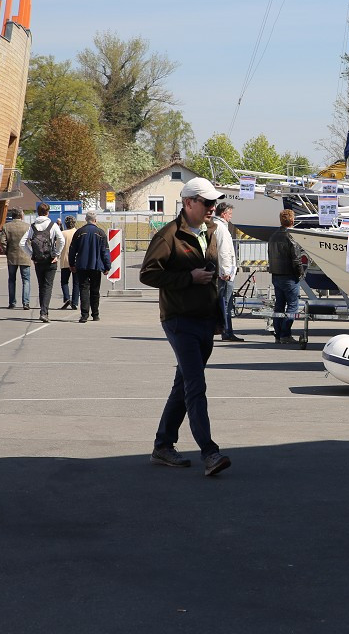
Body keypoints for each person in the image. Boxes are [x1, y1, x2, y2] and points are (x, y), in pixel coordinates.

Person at [139, 177, 231, 477]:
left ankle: (163, 445)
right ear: (188, 202)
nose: (212, 208)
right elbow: (148, 274)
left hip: (204, 319)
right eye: (206, 202)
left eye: (214, 202)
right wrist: (187, 279)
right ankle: (209, 452)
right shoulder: (168, 236)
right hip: (179, 320)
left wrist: (217, 317)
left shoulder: (211, 230)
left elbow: (211, 273)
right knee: (195, 385)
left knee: (184, 385)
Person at [19, 203, 64, 323]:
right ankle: (44, 312)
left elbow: (22, 243)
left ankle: (42, 310)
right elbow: (61, 240)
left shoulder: (32, 227)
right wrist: (57, 254)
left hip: (38, 260)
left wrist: (31, 255)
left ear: (37, 212)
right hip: (50, 259)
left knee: (41, 285)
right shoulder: (53, 225)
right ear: (47, 212)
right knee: (48, 286)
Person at [267, 208, 304, 344]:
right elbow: (296, 258)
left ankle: (278, 334)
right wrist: (300, 273)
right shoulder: (291, 236)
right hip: (289, 275)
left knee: (279, 305)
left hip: (276, 274)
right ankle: (285, 333)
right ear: (292, 220)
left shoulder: (273, 236)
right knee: (293, 305)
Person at [68, 211, 111, 323]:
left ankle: (84, 315)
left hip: (82, 265)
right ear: (95, 220)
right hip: (96, 266)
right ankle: (95, 314)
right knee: (95, 290)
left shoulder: (79, 232)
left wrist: (71, 264)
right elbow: (105, 251)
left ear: (86, 219)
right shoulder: (101, 233)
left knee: (83, 289)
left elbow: (72, 250)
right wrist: (107, 266)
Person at [213, 201, 243, 342]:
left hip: (224, 271)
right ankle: (227, 331)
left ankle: (225, 330)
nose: (231, 216)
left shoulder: (217, 226)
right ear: (224, 214)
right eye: (230, 214)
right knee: (226, 302)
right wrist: (226, 271)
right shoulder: (221, 228)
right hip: (225, 274)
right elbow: (224, 251)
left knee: (224, 302)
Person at [0, 208, 31, 310]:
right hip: (25, 256)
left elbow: (2, 241)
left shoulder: (6, 227)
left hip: (12, 256)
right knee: (26, 280)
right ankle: (26, 303)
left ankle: (12, 302)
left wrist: (6, 251)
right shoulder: (28, 227)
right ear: (21, 216)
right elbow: (31, 240)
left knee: (12, 280)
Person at [59, 215, 80, 311]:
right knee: (76, 283)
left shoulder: (62, 233)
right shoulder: (78, 232)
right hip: (76, 261)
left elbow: (58, 246)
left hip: (64, 261)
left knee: (64, 282)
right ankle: (75, 302)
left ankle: (67, 298)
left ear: (65, 224)